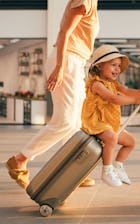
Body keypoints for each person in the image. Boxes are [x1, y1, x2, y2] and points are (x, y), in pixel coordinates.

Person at [6, 0, 99, 189]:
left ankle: (72, 171)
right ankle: (20, 159)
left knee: (75, 123)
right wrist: (60, 67)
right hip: (67, 60)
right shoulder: (84, 1)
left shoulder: (92, 2)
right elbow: (64, 32)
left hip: (77, 62)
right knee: (64, 121)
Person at [81, 44, 140, 187]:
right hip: (96, 122)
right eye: (113, 65)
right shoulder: (96, 84)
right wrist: (135, 100)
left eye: (119, 66)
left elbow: (126, 91)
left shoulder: (113, 82)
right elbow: (114, 99)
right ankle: (107, 170)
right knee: (112, 138)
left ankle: (118, 166)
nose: (117, 69)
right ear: (100, 66)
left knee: (130, 142)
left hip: (109, 122)